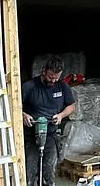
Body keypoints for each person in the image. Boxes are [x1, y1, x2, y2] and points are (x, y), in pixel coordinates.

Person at [22, 58, 76, 186]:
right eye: (51, 77)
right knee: (29, 171)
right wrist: (23, 115)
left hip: (51, 135)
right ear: (43, 71)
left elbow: (71, 105)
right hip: (31, 135)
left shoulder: (62, 86)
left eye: (56, 78)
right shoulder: (29, 86)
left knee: (49, 171)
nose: (53, 81)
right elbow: (14, 106)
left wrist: (61, 115)